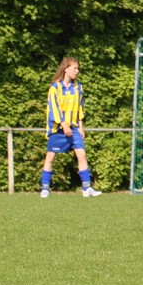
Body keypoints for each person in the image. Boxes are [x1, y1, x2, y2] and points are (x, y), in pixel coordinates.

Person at [40, 57, 102, 198]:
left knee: (82, 154)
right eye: (75, 68)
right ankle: (45, 188)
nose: (77, 71)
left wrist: (80, 126)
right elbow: (53, 108)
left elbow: (80, 107)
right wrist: (63, 124)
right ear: (66, 69)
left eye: (78, 68)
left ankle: (87, 188)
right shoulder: (55, 88)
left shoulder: (78, 87)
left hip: (73, 128)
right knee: (50, 157)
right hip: (58, 129)